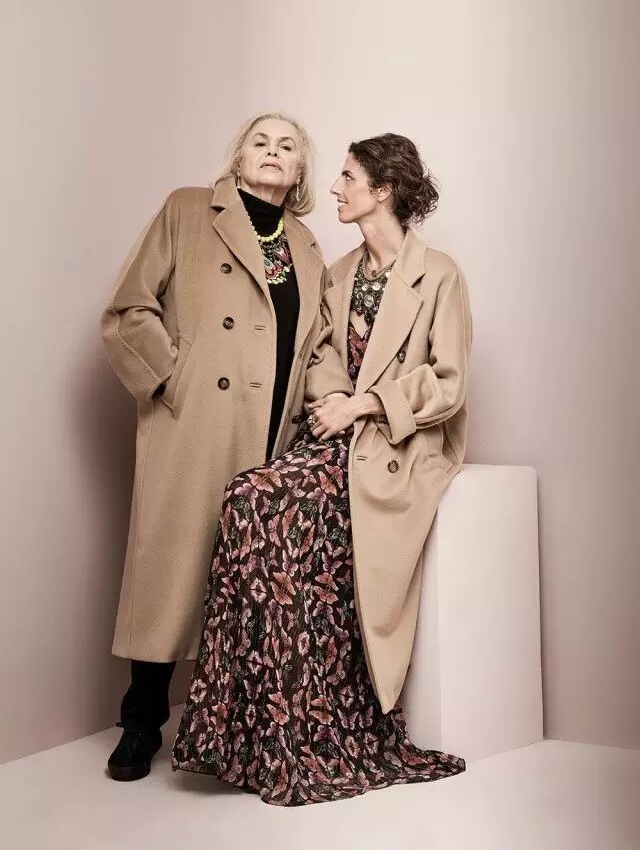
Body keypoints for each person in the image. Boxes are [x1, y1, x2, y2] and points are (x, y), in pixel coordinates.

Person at [172, 133, 473, 805]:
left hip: (400, 444)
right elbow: (321, 358)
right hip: (338, 437)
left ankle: (320, 729)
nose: (334, 187)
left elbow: (449, 382)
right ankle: (256, 736)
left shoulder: (439, 274)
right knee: (248, 498)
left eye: (347, 177)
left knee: (272, 508)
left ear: (383, 191)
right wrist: (335, 400)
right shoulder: (338, 274)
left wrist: (364, 404)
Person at [100, 112, 350, 782]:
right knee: (170, 573)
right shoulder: (188, 210)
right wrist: (171, 378)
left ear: (300, 170)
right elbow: (129, 307)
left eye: (287, 146)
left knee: (245, 587)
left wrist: (335, 402)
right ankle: (140, 724)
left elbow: (319, 345)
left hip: (270, 433)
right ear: (238, 157)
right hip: (197, 423)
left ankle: (236, 737)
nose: (273, 152)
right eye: (260, 142)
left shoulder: (305, 244)